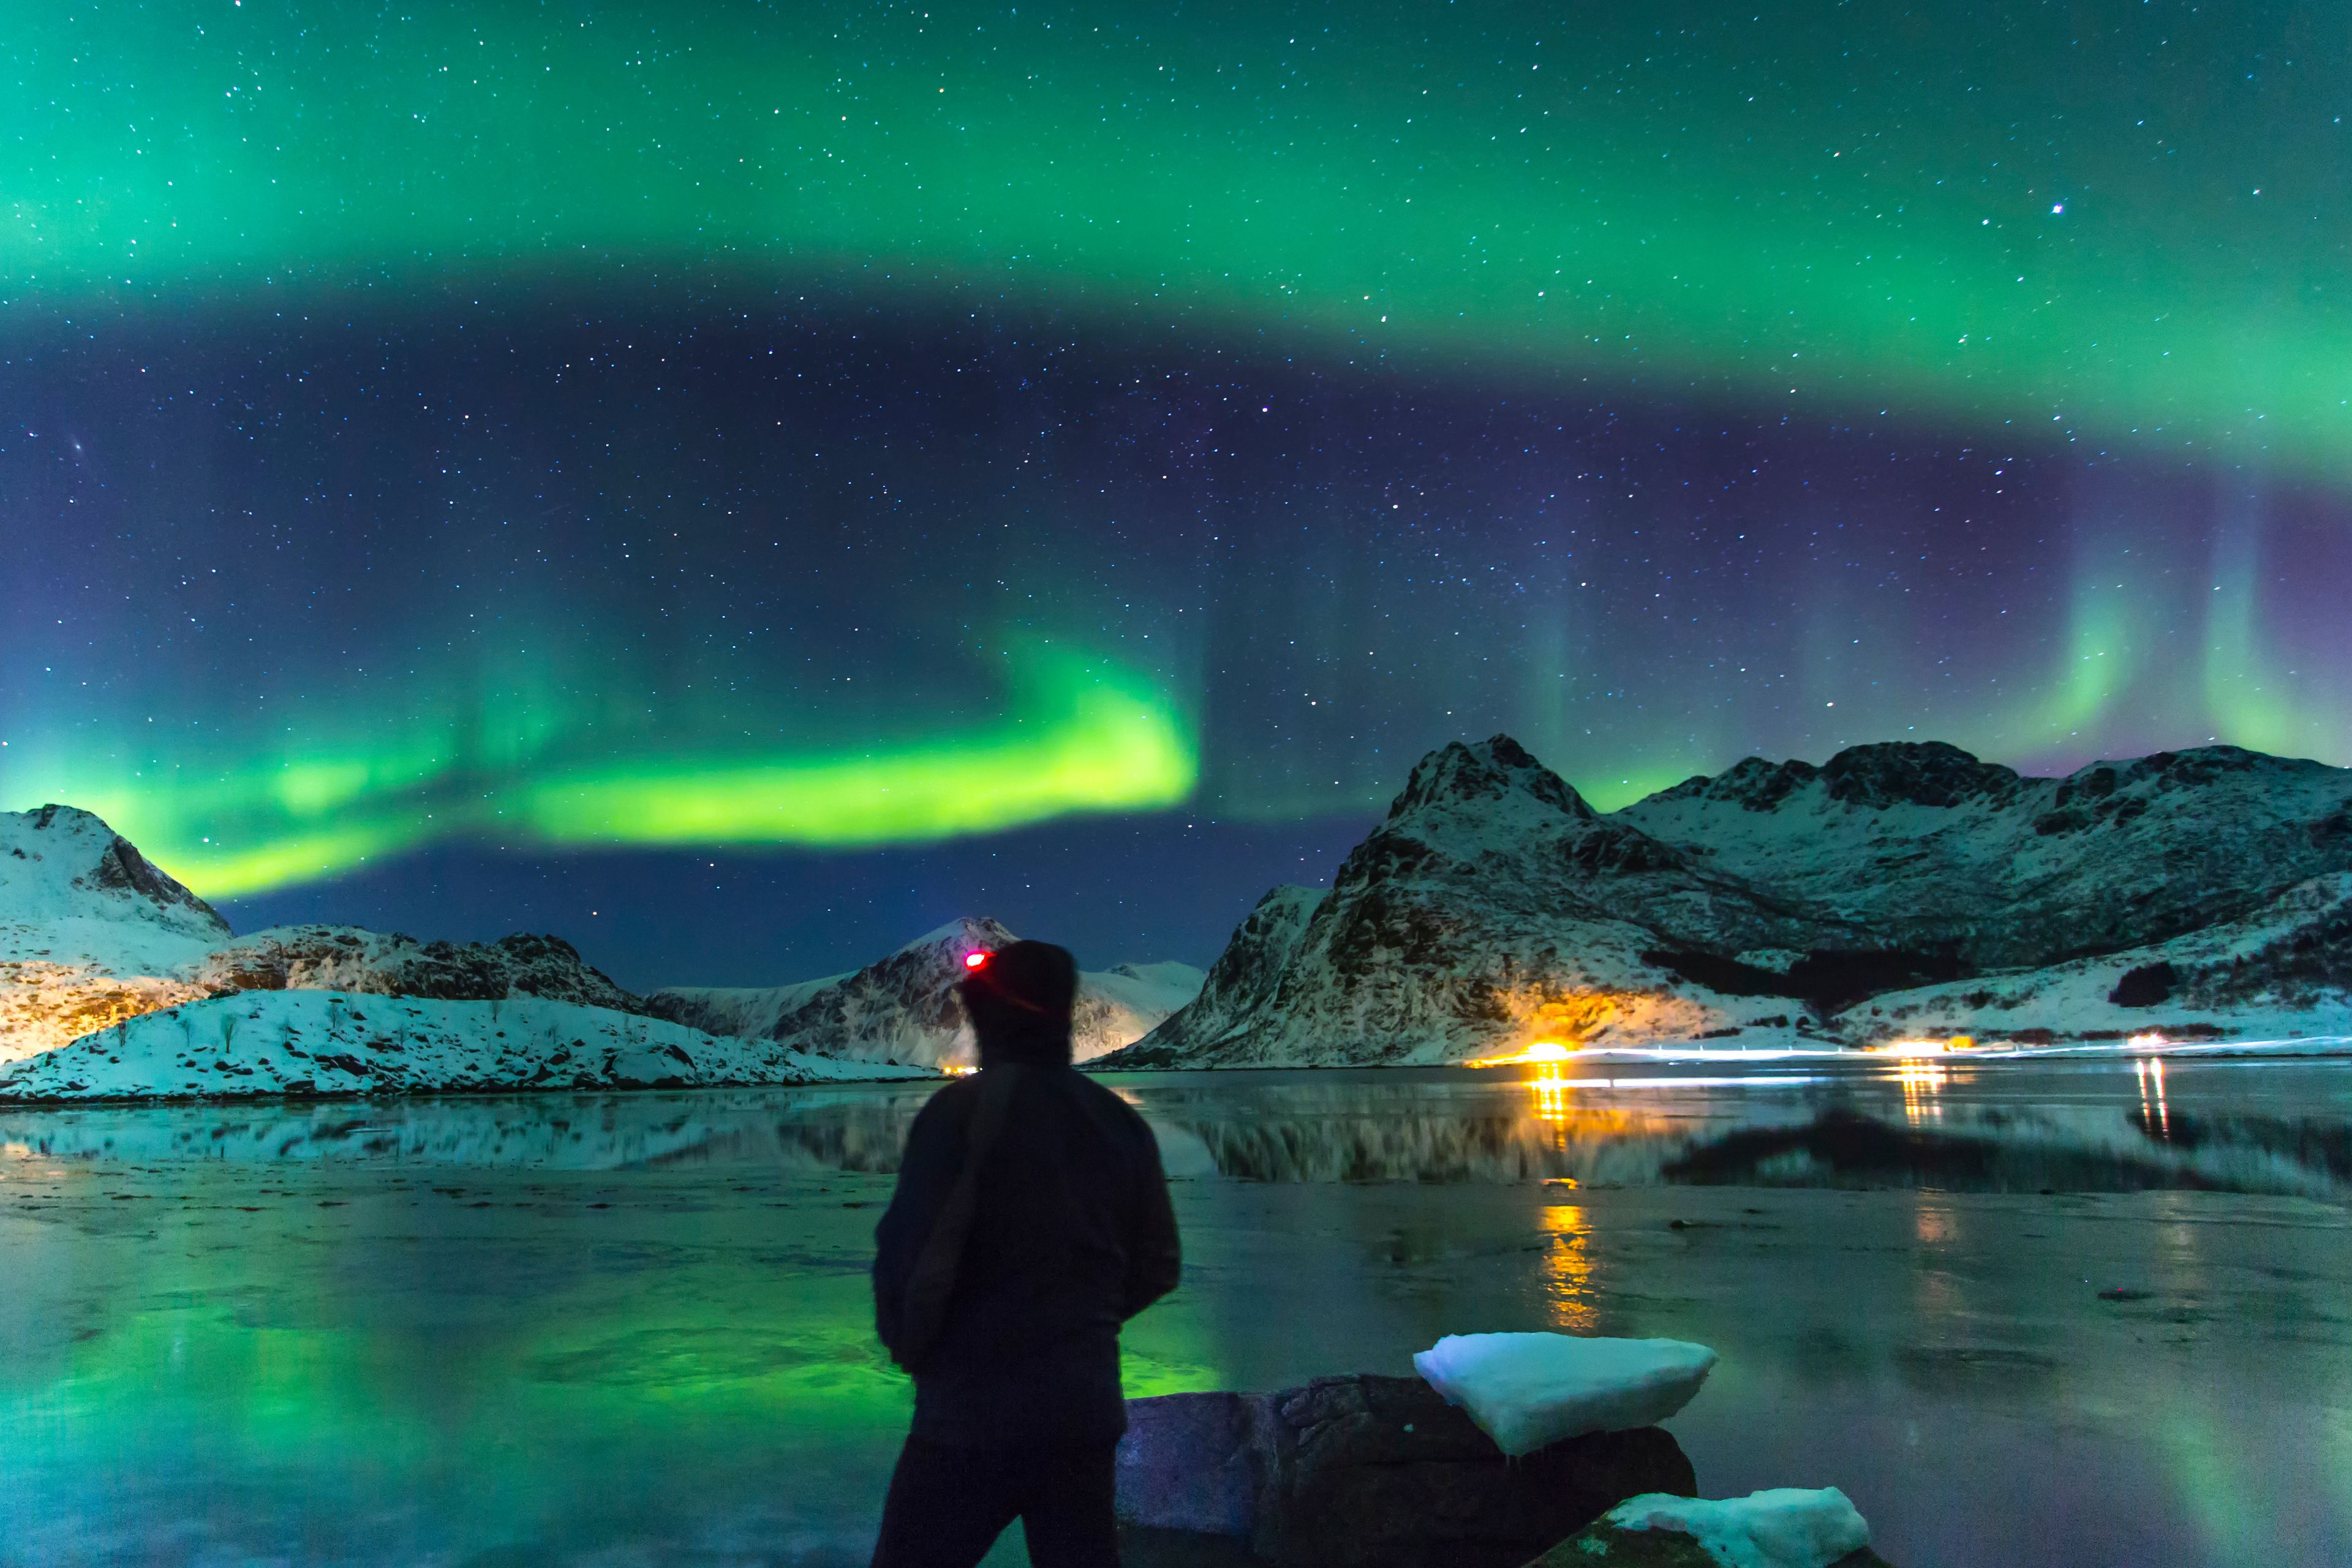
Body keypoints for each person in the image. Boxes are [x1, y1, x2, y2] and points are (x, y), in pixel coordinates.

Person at [869, 939, 1183, 1568]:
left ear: (990, 1013)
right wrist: (1080, 1322)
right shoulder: (1119, 1123)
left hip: (968, 1420)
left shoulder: (959, 1114)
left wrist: (918, 1345)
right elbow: (1159, 1264)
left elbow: (905, 1251)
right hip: (1084, 1415)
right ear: (1063, 1013)